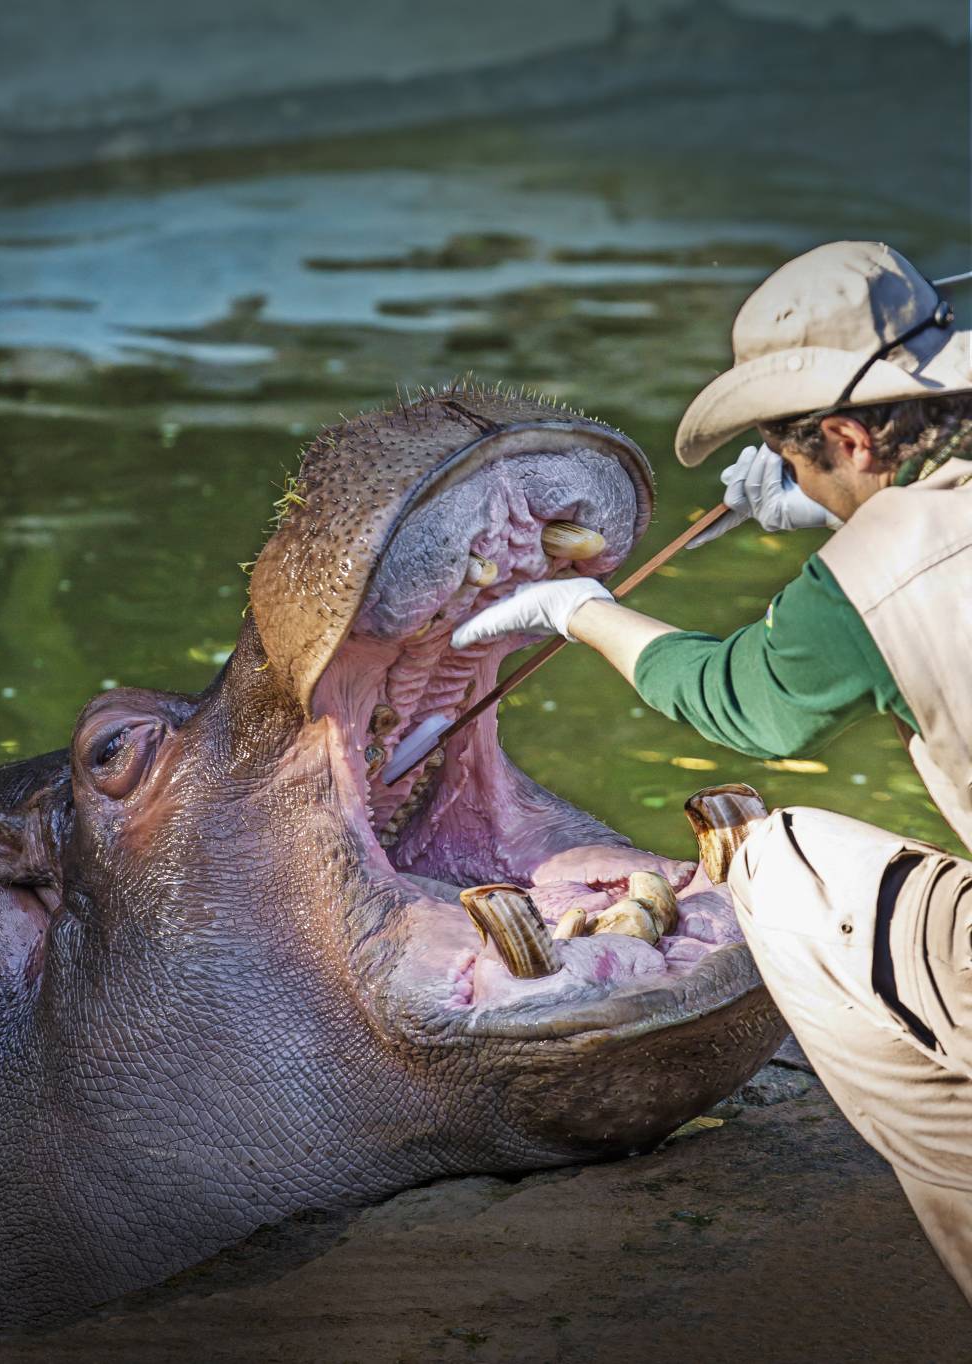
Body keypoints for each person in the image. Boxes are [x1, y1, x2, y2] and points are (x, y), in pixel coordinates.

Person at [451, 241, 972, 1300]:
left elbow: (747, 701)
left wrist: (579, 611)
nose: (793, 478)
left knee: (781, 861)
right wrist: (830, 503)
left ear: (842, 434)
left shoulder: (883, 560)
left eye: (797, 454)